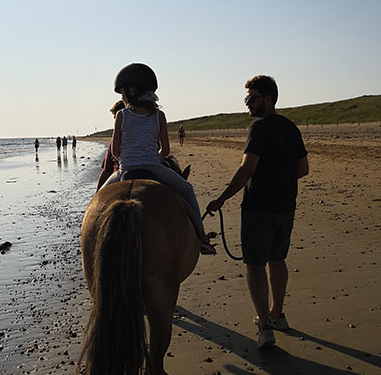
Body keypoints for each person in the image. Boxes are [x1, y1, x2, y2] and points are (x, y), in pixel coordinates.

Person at [206, 75, 309, 348]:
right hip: (286, 207)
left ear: (268, 99)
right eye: (246, 99)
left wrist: (221, 199)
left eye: (251, 99)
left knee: (254, 265)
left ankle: (265, 326)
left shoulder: (259, 128)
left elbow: (247, 168)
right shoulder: (290, 127)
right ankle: (277, 314)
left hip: (258, 209)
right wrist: (281, 180)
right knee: (277, 260)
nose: (247, 104)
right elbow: (303, 169)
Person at [102, 63, 215, 255]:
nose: (121, 97)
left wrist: (127, 159)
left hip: (125, 170)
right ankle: (201, 237)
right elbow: (166, 149)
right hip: (153, 168)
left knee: (99, 200)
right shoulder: (158, 115)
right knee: (187, 190)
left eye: (122, 92)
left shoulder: (121, 115)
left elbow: (115, 151)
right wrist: (154, 159)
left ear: (131, 91)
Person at [96, 100, 125, 190]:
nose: (114, 120)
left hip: (120, 173)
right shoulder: (147, 134)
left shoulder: (114, 141)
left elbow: (107, 170)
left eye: (115, 117)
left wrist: (97, 194)